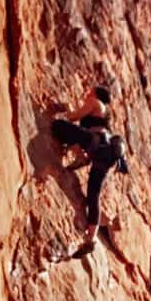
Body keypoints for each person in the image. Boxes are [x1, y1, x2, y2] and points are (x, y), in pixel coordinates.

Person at [50, 86, 129, 254]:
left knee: (58, 126)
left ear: (95, 93)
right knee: (94, 195)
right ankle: (91, 238)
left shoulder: (95, 102)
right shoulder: (104, 112)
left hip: (94, 144)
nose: (87, 93)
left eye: (89, 91)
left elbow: (73, 117)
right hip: (105, 154)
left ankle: (81, 155)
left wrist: (64, 107)